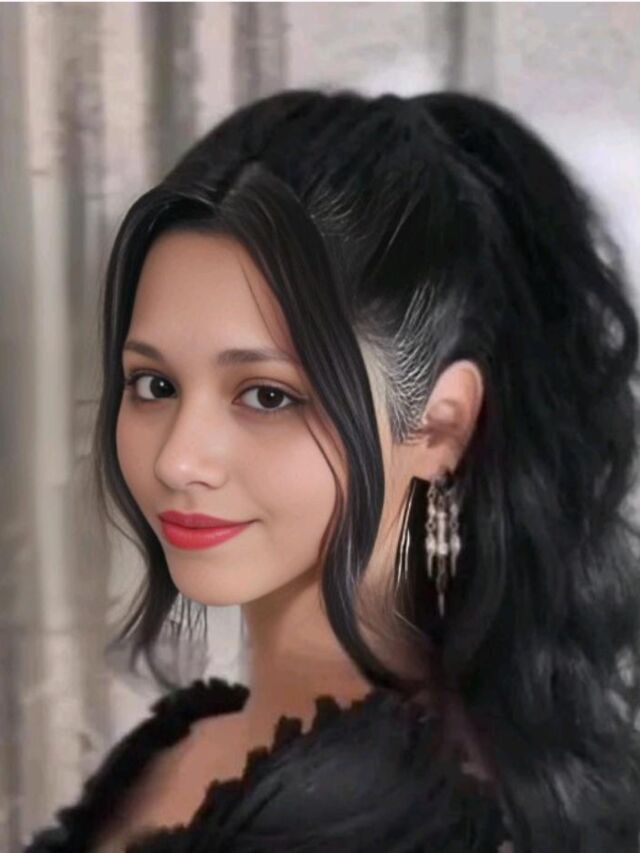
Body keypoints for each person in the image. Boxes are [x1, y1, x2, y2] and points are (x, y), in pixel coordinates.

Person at [24, 89, 640, 853]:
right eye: (154, 384)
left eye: (266, 395)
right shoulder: (173, 754)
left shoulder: (436, 825)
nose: (178, 457)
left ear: (440, 425)